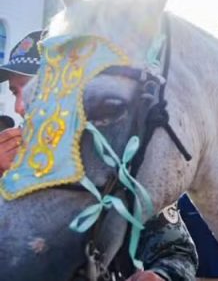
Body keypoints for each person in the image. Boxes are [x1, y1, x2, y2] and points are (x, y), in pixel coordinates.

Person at [0, 31, 198, 281]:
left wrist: (162, 276)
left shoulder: (119, 162)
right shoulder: (8, 164)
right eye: (15, 92)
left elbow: (176, 252)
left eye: (32, 88)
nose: (19, 106)